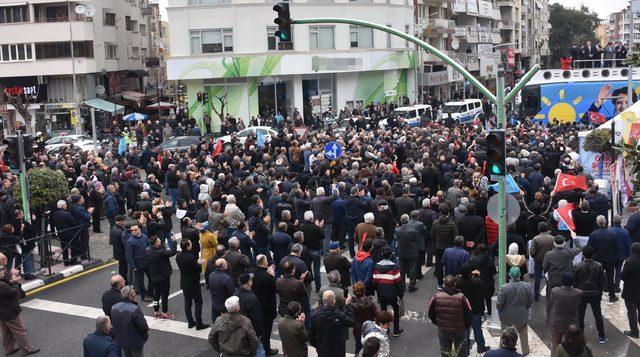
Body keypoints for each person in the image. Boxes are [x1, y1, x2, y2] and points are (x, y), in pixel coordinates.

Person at [0, 255, 39, 355]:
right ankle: (27, 349)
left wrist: (12, 277)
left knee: (6, 331)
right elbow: (13, 292)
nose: (3, 271)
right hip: (9, 311)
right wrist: (15, 282)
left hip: (3, 312)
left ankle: (9, 349)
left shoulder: (2, 281)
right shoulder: (2, 285)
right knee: (19, 331)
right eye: (1, 269)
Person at [428, 275, 473, 357]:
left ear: (444, 284)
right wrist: (466, 326)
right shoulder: (462, 297)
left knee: (445, 352)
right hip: (460, 330)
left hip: (443, 329)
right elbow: (469, 314)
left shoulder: (436, 297)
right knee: (461, 352)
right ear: (455, 284)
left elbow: (430, 313)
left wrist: (438, 323)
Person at [496, 267, 534, 356]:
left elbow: (499, 304)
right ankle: (525, 351)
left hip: (507, 317)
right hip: (522, 316)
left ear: (510, 275)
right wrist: (526, 307)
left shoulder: (504, 288)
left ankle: (502, 350)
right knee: (524, 335)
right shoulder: (527, 286)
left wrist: (500, 310)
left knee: (505, 335)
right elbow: (531, 300)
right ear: (520, 275)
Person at [573, 245, 607, 344]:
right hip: (595, 294)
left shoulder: (577, 266)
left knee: (580, 316)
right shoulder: (599, 266)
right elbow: (602, 281)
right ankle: (601, 336)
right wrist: (600, 291)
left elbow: (575, 281)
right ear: (593, 254)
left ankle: (580, 337)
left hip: (581, 293)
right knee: (597, 315)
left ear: (583, 254)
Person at [456, 263, 490, 354]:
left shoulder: (458, 281)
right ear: (470, 273)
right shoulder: (477, 282)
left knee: (465, 331)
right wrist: (475, 275)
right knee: (477, 329)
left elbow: (457, 278)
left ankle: (466, 350)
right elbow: (481, 285)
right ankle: (480, 346)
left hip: (464, 310)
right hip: (476, 309)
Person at [309, 290, 355, 357]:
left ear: (322, 300)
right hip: (338, 350)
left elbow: (310, 334)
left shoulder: (315, 315)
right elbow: (351, 322)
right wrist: (347, 305)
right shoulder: (339, 315)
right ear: (333, 301)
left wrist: (318, 345)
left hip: (323, 349)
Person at [175, 239, 209, 330]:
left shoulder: (178, 256)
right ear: (187, 246)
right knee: (198, 302)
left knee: (187, 303)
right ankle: (199, 323)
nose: (191, 245)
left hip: (184, 282)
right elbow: (198, 270)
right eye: (190, 244)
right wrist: (199, 264)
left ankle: (190, 322)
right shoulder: (191, 257)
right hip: (193, 282)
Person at [371, 247, 404, 337]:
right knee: (396, 309)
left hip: (381, 293)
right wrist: (401, 295)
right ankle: (396, 329)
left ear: (382, 255)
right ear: (390, 255)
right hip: (392, 293)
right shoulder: (394, 267)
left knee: (383, 310)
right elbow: (398, 283)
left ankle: (385, 329)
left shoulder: (376, 266)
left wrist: (377, 290)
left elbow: (374, 281)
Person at [548, 272, 583, 354]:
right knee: (571, 346)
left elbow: (551, 300)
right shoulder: (578, 293)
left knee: (555, 344)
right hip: (571, 324)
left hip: (557, 322)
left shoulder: (555, 291)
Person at [587, 215, 619, 302]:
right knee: (610, 277)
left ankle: (598, 296)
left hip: (597, 259)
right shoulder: (613, 234)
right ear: (605, 222)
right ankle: (612, 296)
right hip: (609, 259)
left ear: (597, 223)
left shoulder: (593, 234)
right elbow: (616, 248)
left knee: (596, 278)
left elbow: (589, 248)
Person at [111, 286, 150, 357]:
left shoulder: (114, 307)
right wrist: (144, 336)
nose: (135, 294)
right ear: (130, 295)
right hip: (135, 342)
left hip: (121, 340)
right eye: (134, 293)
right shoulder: (134, 308)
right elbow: (143, 326)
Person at [251, 255, 278, 356]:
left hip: (255, 304)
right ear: (264, 262)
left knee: (257, 327)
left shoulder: (252, 272)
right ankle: (267, 349)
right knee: (267, 329)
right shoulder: (268, 276)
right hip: (267, 307)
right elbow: (275, 288)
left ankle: (258, 346)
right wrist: (272, 275)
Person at [234, 273, 266, 357]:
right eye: (250, 279)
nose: (252, 281)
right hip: (252, 330)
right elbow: (257, 318)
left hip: (240, 329)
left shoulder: (235, 294)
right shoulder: (252, 298)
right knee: (259, 349)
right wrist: (259, 333)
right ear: (248, 283)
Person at [125, 224, 152, 302]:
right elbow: (129, 255)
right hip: (138, 264)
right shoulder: (130, 242)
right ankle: (144, 296)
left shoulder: (144, 237)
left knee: (151, 278)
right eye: (132, 230)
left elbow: (149, 245)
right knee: (140, 281)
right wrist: (133, 266)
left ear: (139, 229)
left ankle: (150, 293)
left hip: (147, 262)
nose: (133, 231)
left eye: (135, 230)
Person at [432, 205, 458, 288]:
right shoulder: (452, 224)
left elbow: (432, 235)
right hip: (449, 247)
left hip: (439, 246)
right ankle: (449, 282)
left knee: (439, 265)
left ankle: (440, 283)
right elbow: (455, 236)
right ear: (449, 213)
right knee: (449, 265)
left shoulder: (435, 223)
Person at [530, 222, 555, 301]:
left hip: (538, 261)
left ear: (539, 229)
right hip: (549, 262)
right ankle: (548, 295)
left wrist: (535, 257)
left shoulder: (536, 239)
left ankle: (536, 296)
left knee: (537, 279)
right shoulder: (552, 238)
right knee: (549, 278)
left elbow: (532, 252)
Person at [351, 281, 377, 354]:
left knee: (358, 346)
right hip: (369, 328)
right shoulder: (370, 302)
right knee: (369, 348)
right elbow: (376, 314)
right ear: (364, 291)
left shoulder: (352, 304)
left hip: (357, 329)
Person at [395, 214, 419, 292]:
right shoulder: (412, 231)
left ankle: (402, 286)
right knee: (412, 269)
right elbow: (416, 240)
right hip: (411, 252)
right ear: (408, 220)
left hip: (401, 252)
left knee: (401, 270)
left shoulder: (397, 230)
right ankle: (411, 286)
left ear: (401, 221)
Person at [208, 258, 235, 324]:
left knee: (215, 320)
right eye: (225, 263)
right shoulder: (226, 278)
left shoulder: (211, 275)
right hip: (224, 305)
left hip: (215, 302)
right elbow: (232, 292)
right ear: (223, 266)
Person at [622, 242, 640, 338]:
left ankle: (634, 332)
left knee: (632, 312)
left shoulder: (630, 261)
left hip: (630, 292)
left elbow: (623, 276)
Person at [610, 215, 631, 293]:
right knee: (618, 270)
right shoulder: (625, 232)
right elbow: (628, 245)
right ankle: (616, 285)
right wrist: (628, 256)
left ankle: (608, 284)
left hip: (611, 255)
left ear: (613, 221)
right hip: (621, 254)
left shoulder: (610, 230)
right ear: (621, 221)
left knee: (610, 270)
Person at [110, 216, 128, 281]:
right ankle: (124, 280)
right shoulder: (121, 231)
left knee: (121, 267)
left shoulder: (113, 228)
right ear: (120, 221)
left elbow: (111, 241)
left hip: (117, 251)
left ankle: (122, 279)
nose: (124, 222)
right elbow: (125, 243)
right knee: (124, 269)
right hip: (123, 253)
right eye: (123, 220)